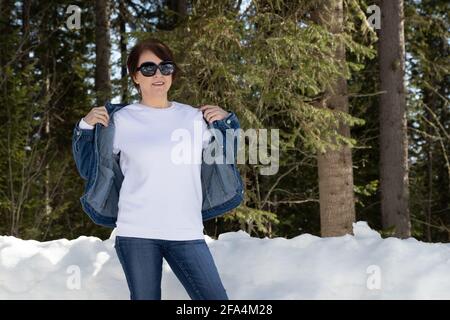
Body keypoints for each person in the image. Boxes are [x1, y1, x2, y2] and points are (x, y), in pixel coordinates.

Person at [77, 38, 235, 300]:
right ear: (135, 76)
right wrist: (84, 127)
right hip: (136, 232)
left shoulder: (195, 118)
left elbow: (226, 160)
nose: (158, 75)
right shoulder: (119, 120)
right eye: (148, 68)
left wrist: (227, 124)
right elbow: (89, 168)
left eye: (165, 67)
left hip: (186, 231)